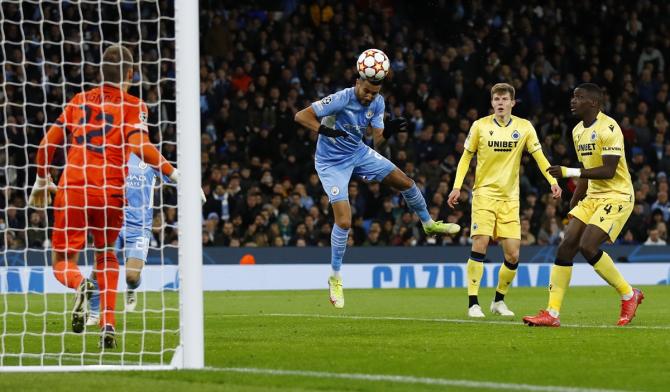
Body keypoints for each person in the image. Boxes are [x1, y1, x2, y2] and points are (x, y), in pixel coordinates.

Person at [29, 45, 179, 348]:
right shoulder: (135, 106)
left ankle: (79, 284)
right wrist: (174, 173)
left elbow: (46, 145)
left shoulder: (77, 101)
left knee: (62, 261)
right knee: (106, 255)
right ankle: (108, 323)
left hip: (73, 188)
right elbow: (140, 147)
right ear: (131, 73)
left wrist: (42, 178)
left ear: (100, 72)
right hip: (110, 192)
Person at [294, 49, 460, 309]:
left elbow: (378, 141)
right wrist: (325, 130)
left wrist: (388, 132)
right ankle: (335, 278)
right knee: (345, 220)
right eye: (366, 91)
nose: (369, 96)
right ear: (358, 82)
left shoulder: (378, 103)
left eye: (374, 92)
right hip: (331, 163)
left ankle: (428, 224)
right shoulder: (341, 98)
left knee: (406, 182)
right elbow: (301, 115)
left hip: (358, 153)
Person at [523, 83, 643, 327]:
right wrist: (574, 202)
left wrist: (567, 171)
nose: (573, 101)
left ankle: (629, 294)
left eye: (579, 97)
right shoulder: (578, 131)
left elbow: (608, 171)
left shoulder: (609, 128)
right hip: (593, 196)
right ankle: (552, 314)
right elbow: (587, 172)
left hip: (617, 194)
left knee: (588, 246)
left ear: (594, 103)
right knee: (567, 245)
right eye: (573, 96)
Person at [447, 83, 562, 318]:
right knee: (480, 242)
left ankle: (498, 301)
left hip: (510, 198)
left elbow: (539, 156)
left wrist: (552, 180)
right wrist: (457, 187)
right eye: (496, 99)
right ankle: (473, 303)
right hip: (484, 194)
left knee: (512, 254)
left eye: (504, 99)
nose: (500, 103)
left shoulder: (524, 127)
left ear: (512, 102)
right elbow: (466, 156)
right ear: (492, 103)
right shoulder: (480, 126)